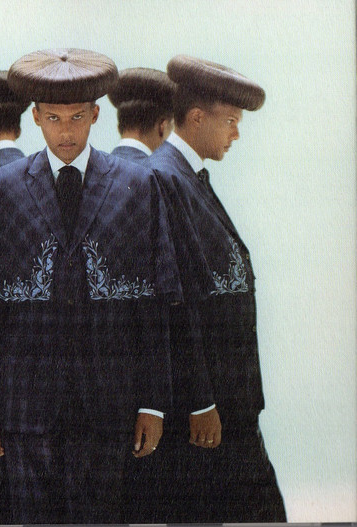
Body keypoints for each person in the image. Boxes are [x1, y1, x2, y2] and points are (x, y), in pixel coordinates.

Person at [0, 48, 182, 524]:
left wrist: (154, 404)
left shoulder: (139, 186)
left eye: (77, 117)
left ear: (96, 114)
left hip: (110, 402)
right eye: (54, 118)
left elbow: (155, 303)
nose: (66, 132)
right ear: (35, 117)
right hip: (24, 403)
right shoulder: (1, 188)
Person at [132, 54, 286, 523]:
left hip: (229, 403)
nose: (235, 135)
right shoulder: (163, 178)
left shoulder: (187, 176)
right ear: (197, 118)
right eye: (231, 122)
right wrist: (200, 400)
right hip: (204, 410)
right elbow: (170, 301)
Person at [108, 67, 175, 162]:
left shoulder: (93, 168)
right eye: (171, 129)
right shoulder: (159, 170)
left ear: (119, 127)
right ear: (162, 127)